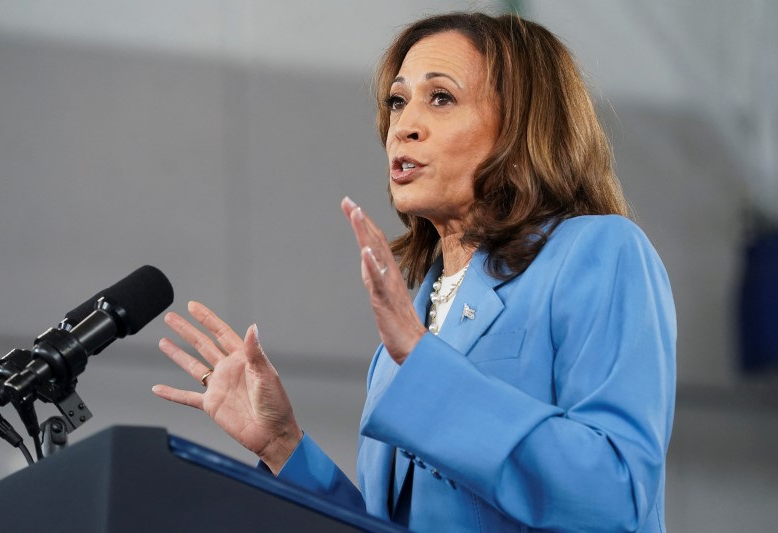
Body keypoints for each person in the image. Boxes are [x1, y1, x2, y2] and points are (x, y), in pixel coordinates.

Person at [152, 12, 676, 532]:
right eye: (397, 101)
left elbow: (615, 495)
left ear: (520, 127)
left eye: (441, 98)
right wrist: (283, 445)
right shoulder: (404, 336)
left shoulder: (597, 252)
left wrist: (423, 361)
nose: (403, 126)